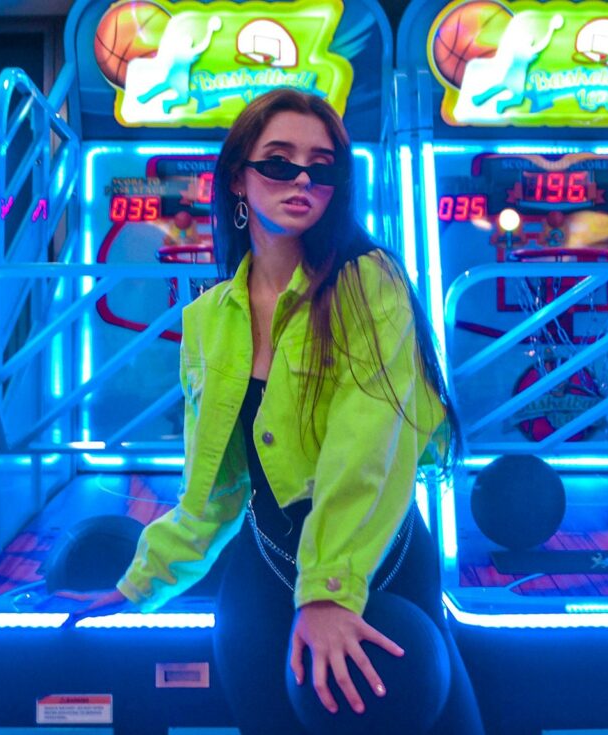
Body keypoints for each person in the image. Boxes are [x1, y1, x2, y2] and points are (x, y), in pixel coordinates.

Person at [71, 88, 485, 735]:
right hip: (263, 570)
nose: (301, 179)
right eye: (278, 162)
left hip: (380, 558)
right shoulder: (207, 319)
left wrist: (327, 592)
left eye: (321, 166)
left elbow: (368, 447)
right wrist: (138, 584)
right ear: (238, 177)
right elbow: (216, 487)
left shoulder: (369, 280)